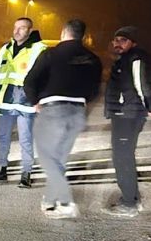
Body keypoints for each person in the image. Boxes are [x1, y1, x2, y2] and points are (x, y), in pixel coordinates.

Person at [22, 18, 103, 219]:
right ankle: (50, 201)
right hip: (77, 111)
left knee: (47, 156)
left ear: (63, 32)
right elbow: (94, 90)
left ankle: (66, 202)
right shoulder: (93, 59)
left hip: (52, 110)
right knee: (59, 158)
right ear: (82, 36)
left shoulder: (50, 54)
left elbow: (30, 80)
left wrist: (35, 102)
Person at [102, 25, 151, 216]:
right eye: (116, 39)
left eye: (123, 40)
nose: (117, 43)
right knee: (123, 156)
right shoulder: (124, 59)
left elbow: (142, 85)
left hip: (128, 114)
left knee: (123, 157)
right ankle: (132, 197)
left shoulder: (135, 58)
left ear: (133, 42)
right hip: (123, 113)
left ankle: (129, 203)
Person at [0, 17, 46, 187]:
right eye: (15, 27)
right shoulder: (6, 48)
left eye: (22, 28)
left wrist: (39, 98)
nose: (17, 31)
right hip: (6, 99)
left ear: (30, 30)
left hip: (26, 101)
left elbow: (43, 75)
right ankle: (1, 169)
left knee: (25, 139)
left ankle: (26, 173)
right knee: (3, 137)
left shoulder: (38, 49)